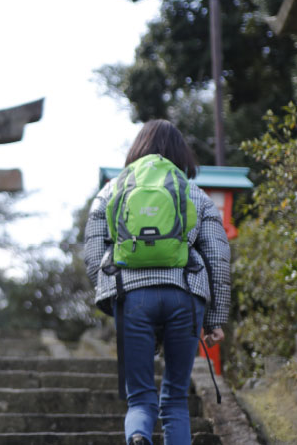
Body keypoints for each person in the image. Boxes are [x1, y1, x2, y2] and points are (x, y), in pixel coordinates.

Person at [84, 119, 230, 445]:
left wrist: (113, 294)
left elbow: (94, 252)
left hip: (132, 298)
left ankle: (138, 435)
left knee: (139, 397)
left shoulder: (112, 190)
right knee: (176, 397)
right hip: (186, 296)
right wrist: (216, 317)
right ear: (182, 154)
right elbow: (218, 257)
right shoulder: (194, 193)